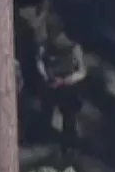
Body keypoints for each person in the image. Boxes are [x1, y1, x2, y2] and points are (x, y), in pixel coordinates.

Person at [35, 15, 87, 154]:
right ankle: (45, 138)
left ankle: (69, 144)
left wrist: (67, 81)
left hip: (68, 87)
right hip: (51, 84)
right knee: (46, 111)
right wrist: (46, 76)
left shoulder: (73, 47)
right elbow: (39, 60)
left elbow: (82, 71)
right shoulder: (45, 45)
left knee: (69, 117)